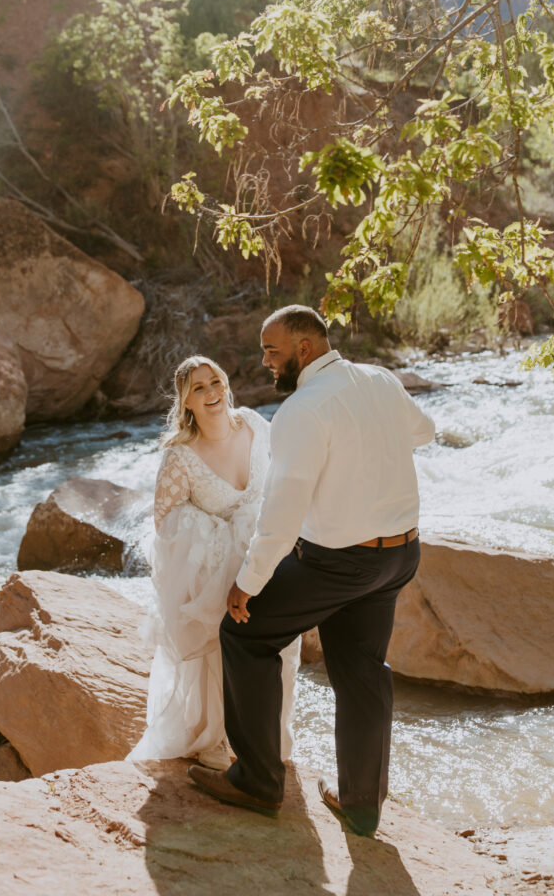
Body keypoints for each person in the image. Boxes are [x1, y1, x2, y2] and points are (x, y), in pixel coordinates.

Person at [187, 305, 436, 835]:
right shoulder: (380, 379)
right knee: (361, 669)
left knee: (244, 635)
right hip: (399, 556)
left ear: (304, 349)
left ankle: (258, 781)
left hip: (340, 563)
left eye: (271, 351)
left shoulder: (301, 411)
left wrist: (248, 583)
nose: (265, 363)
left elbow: (283, 513)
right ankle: (362, 806)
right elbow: (425, 432)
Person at [129, 355, 299, 771]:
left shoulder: (256, 426)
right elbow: (165, 521)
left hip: (269, 559)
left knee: (283, 649)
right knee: (220, 655)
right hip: (216, 575)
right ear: (185, 401)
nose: (211, 393)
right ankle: (219, 736)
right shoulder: (180, 457)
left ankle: (271, 737)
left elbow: (285, 479)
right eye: (199, 388)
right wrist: (222, 536)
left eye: (216, 382)